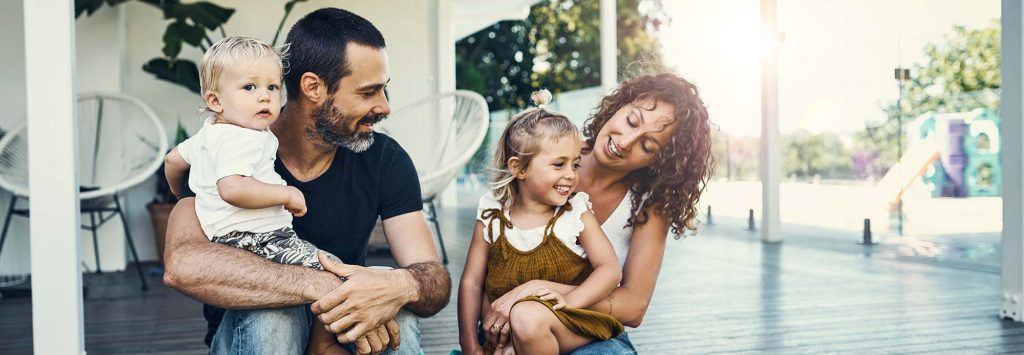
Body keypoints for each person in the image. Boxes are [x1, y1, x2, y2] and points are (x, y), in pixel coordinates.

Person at [161, 8, 451, 355]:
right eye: (368, 92)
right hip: (254, 340)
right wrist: (321, 285)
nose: (384, 107)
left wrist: (398, 285)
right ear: (313, 87)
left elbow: (433, 278)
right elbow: (184, 264)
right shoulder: (227, 145)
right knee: (276, 317)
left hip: (338, 336)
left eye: (384, 90)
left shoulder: (384, 158)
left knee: (395, 311)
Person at [480, 73, 715, 354]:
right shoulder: (545, 152)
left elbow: (634, 306)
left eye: (647, 146)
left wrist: (538, 292)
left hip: (591, 334)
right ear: (618, 106)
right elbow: (484, 264)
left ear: (660, 160)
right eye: (631, 121)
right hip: (512, 327)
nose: (626, 141)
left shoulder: (648, 206)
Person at [163, 36, 351, 355]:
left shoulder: (209, 132)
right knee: (332, 268)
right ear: (216, 100)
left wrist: (182, 192)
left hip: (226, 242)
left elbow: (172, 161)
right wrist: (286, 194)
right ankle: (323, 345)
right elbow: (233, 188)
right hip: (259, 239)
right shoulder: (244, 139)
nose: (264, 97)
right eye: (249, 88)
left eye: (272, 87)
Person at [458, 90, 623, 355]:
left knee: (527, 317)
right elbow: (471, 282)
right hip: (503, 332)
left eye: (575, 165)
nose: (570, 175)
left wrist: (569, 301)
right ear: (519, 168)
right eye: (559, 164)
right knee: (518, 329)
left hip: (570, 322)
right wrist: (469, 344)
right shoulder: (492, 214)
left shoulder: (575, 213)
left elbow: (610, 270)